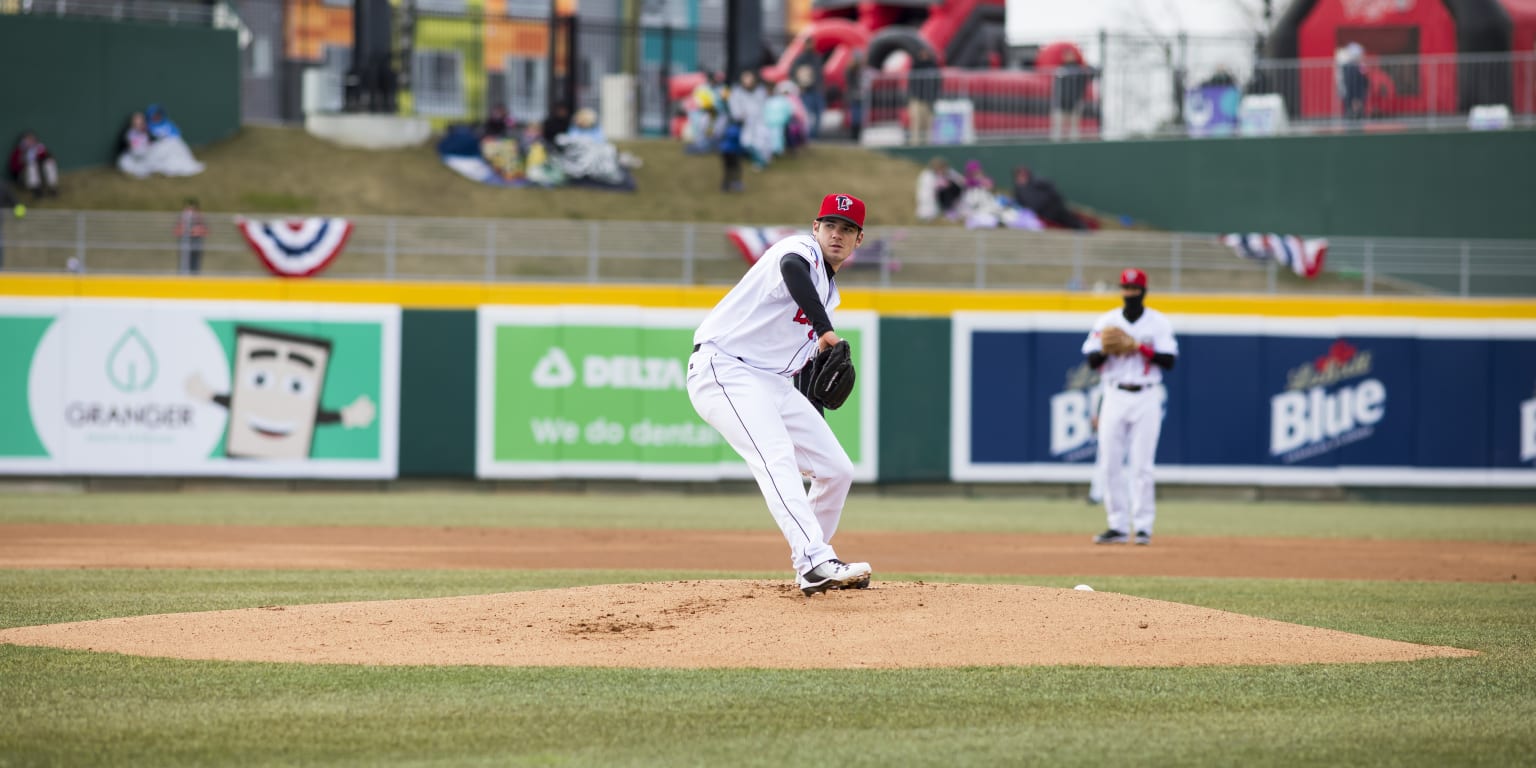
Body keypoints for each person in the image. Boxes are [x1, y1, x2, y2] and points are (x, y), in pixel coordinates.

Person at [686, 192, 873, 596]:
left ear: (859, 240)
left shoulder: (828, 293)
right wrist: (825, 331)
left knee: (835, 469)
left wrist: (813, 428)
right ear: (815, 228)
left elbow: (807, 372)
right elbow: (792, 269)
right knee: (775, 456)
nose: (836, 234)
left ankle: (811, 565)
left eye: (847, 229)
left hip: (772, 381)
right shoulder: (797, 250)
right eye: (830, 226)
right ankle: (815, 559)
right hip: (725, 368)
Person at [1081, 268, 1178, 546]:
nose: (1130, 294)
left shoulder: (1157, 322)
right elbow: (1091, 361)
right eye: (1126, 289)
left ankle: (1144, 527)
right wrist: (1106, 349)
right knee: (1110, 462)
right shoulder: (1108, 320)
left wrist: (1139, 347)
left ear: (1143, 291)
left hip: (1147, 395)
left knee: (1142, 465)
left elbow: (1169, 361)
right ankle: (1118, 526)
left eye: (1135, 290)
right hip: (1114, 394)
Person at [1012, 166, 1086, 230]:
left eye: (1023, 175)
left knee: (1071, 220)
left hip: (1054, 209)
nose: (1021, 178)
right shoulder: (1020, 190)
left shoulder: (1038, 183)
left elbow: (1052, 194)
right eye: (1019, 175)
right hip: (1044, 214)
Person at [143, 105, 206, 176]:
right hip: (159, 147)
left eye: (158, 115)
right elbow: (151, 138)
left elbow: (176, 133)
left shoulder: (167, 123)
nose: (157, 117)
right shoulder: (149, 126)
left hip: (173, 144)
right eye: (154, 115)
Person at [1050, 48, 1093, 142]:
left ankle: (1074, 149)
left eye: (1071, 55)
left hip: (1075, 103)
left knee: (1074, 130)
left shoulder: (1080, 70)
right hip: (1060, 103)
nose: (1068, 57)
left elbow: (1091, 75)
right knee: (1057, 129)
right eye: (1066, 55)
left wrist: (1085, 64)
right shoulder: (1060, 70)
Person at [9, 132, 59, 199]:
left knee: (49, 163)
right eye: (28, 140)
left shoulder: (39, 148)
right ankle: (36, 190)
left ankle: (52, 187)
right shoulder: (20, 151)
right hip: (25, 175)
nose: (30, 142)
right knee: (31, 165)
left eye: (32, 139)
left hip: (41, 172)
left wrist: (42, 156)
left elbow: (48, 156)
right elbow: (15, 166)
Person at [906, 48, 940, 146]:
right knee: (916, 122)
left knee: (928, 124)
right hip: (917, 99)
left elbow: (937, 83)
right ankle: (915, 144)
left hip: (929, 100)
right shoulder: (916, 66)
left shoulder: (933, 66)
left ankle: (927, 144)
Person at [915, 156, 964, 221]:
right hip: (931, 202)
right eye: (938, 168)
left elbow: (961, 181)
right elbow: (927, 193)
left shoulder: (950, 172)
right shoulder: (927, 175)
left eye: (942, 168)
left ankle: (950, 210)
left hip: (950, 199)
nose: (941, 170)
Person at [793, 56, 825, 140]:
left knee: (818, 114)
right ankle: (808, 135)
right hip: (807, 91)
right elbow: (794, 73)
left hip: (816, 90)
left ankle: (814, 135)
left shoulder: (816, 58)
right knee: (807, 114)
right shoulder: (800, 60)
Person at [175, 197, 207, 275]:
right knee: (183, 265)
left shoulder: (200, 218)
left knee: (195, 266)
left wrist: (193, 231)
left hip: (196, 246)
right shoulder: (181, 218)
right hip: (184, 246)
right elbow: (177, 231)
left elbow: (205, 231)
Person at [1337, 43, 1369, 121]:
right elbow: (1351, 84)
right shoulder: (1350, 68)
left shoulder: (1359, 66)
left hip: (1356, 97)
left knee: (1357, 116)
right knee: (1352, 117)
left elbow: (1364, 82)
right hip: (1353, 97)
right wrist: (1356, 98)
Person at [844, 50, 870, 143]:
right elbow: (851, 83)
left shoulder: (862, 69)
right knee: (855, 115)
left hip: (861, 95)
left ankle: (858, 135)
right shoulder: (851, 69)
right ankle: (854, 135)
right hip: (854, 96)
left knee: (860, 115)